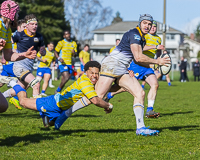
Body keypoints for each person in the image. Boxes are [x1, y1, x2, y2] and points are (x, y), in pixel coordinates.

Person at [55, 14, 170, 135]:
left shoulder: (142, 38)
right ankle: (65, 114)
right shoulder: (134, 34)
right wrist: (157, 61)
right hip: (112, 65)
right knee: (97, 97)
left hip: (122, 68)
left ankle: (140, 128)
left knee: (139, 92)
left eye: (149, 24)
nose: (147, 26)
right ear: (140, 23)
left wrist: (154, 66)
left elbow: (136, 60)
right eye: (145, 23)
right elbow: (138, 57)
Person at [5, 61, 113, 128]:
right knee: (23, 102)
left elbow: (94, 98)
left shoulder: (88, 81)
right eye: (92, 73)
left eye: (96, 73)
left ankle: (44, 114)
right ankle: (12, 83)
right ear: (85, 72)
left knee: (49, 124)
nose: (94, 76)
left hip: (59, 106)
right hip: (52, 103)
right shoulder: (85, 82)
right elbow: (95, 100)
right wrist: (108, 105)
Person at [104, 20, 165, 118]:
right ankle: (109, 94)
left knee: (155, 85)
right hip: (137, 64)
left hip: (148, 66)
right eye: (151, 26)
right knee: (126, 87)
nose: (152, 28)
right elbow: (140, 48)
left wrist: (159, 58)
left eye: (154, 26)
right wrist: (155, 46)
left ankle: (149, 110)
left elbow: (156, 52)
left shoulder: (158, 38)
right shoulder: (143, 36)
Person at [1, 14, 46, 110]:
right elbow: (7, 45)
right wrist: (4, 56)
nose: (35, 26)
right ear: (27, 25)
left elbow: (43, 51)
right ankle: (39, 109)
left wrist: (43, 51)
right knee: (36, 84)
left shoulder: (39, 36)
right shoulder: (19, 34)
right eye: (32, 24)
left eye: (36, 24)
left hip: (29, 68)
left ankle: (2, 97)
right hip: (19, 66)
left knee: (20, 90)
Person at [0, 0, 36, 113]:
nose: (18, 15)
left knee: (3, 106)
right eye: (17, 13)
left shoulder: (7, 30)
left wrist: (24, 55)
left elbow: (9, 55)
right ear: (11, 13)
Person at [1, 19, 27, 110]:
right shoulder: (14, 35)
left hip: (15, 63)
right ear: (18, 27)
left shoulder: (24, 36)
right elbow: (8, 49)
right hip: (11, 64)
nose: (26, 28)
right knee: (25, 81)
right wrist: (4, 57)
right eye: (24, 27)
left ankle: (9, 97)